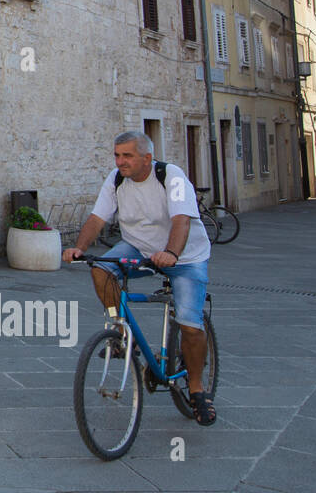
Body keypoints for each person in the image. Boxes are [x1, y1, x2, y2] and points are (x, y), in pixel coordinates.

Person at [63, 130, 216, 426]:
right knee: (101, 269)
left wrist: (171, 252)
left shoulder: (171, 177)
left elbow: (182, 220)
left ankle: (197, 390)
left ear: (147, 158)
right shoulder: (116, 179)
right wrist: (80, 248)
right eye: (117, 155)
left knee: (190, 323)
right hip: (138, 247)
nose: (120, 162)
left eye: (127, 156)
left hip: (184, 256)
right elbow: (97, 218)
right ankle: (122, 333)